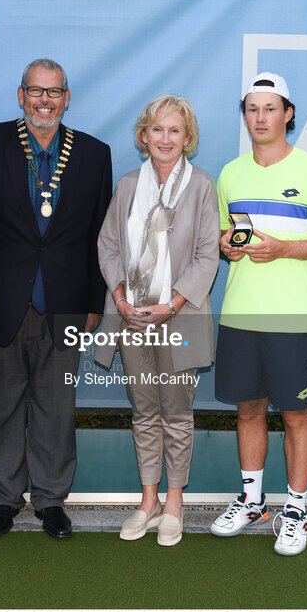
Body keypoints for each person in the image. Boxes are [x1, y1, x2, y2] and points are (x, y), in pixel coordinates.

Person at [0, 58, 112, 539]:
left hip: (64, 302)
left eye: (54, 92)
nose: (45, 101)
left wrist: (94, 302)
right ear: (20, 95)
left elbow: (98, 238)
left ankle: (50, 501)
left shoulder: (93, 153)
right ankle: (4, 498)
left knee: (56, 406)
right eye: (35, 91)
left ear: (67, 97)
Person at [210, 72, 307, 556]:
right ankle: (252, 502)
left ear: (288, 113)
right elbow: (229, 239)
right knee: (248, 409)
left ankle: (295, 509)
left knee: (295, 414)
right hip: (239, 316)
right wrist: (228, 245)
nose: (261, 117)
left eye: (271, 108)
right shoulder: (230, 173)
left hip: (291, 318)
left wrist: (286, 249)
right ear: (244, 114)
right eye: (253, 108)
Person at [95, 95, 219, 547]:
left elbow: (209, 256)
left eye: (175, 131)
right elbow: (108, 246)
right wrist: (119, 292)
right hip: (131, 318)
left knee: (178, 413)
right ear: (143, 135)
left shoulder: (202, 186)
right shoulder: (128, 185)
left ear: (188, 139)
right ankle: (147, 501)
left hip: (178, 318)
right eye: (157, 130)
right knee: (144, 411)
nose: (165, 139)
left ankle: (174, 503)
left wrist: (173, 304)